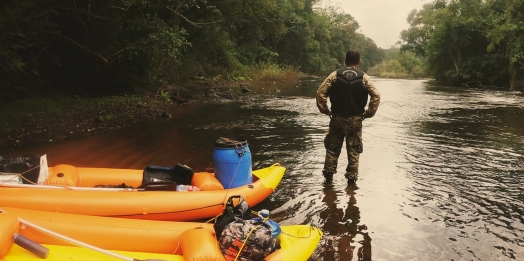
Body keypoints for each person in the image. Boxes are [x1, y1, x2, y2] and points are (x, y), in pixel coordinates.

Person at [316, 50, 380, 185]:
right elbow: (376, 95)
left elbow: (320, 93)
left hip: (336, 119)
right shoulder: (364, 77)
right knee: (354, 151)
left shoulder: (334, 75)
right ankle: (351, 183)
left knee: (332, 150)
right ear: (359, 61)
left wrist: (325, 110)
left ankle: (328, 180)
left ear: (345, 60)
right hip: (355, 121)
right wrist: (369, 113)